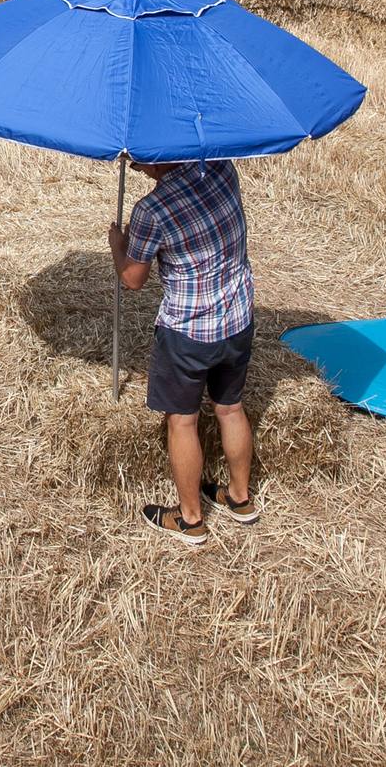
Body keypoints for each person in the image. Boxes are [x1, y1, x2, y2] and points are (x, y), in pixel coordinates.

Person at [108, 158, 261, 547]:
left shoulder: (151, 211)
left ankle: (191, 519)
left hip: (188, 332)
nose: (134, 164)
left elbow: (132, 280)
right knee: (230, 409)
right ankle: (240, 498)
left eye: (138, 160)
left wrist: (119, 246)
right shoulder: (223, 168)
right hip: (238, 318)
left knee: (182, 422)